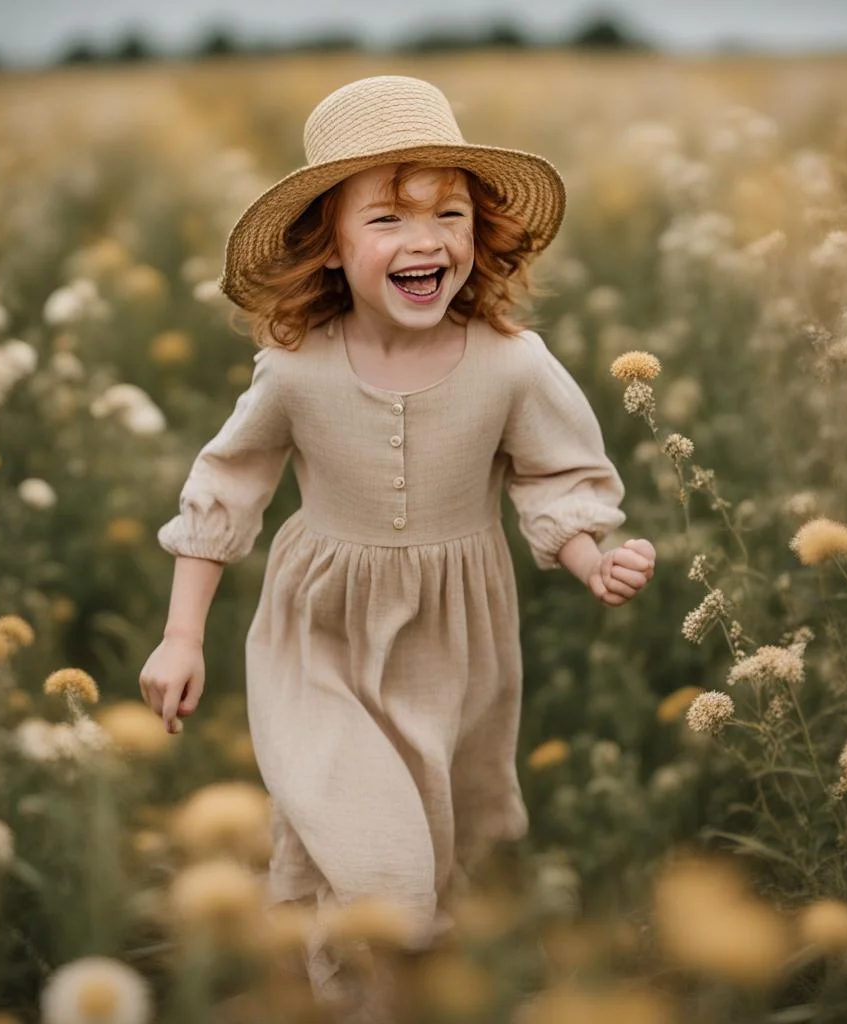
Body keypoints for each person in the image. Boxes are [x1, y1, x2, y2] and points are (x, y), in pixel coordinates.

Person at [138, 75, 656, 1020]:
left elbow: (554, 478)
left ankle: (366, 1001)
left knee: (452, 855)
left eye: (448, 213)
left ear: (479, 233)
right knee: (384, 870)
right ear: (329, 248)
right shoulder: (295, 368)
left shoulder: (511, 362)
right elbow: (225, 490)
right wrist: (181, 636)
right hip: (317, 633)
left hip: (458, 644)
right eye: (385, 219)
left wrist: (591, 558)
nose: (424, 241)